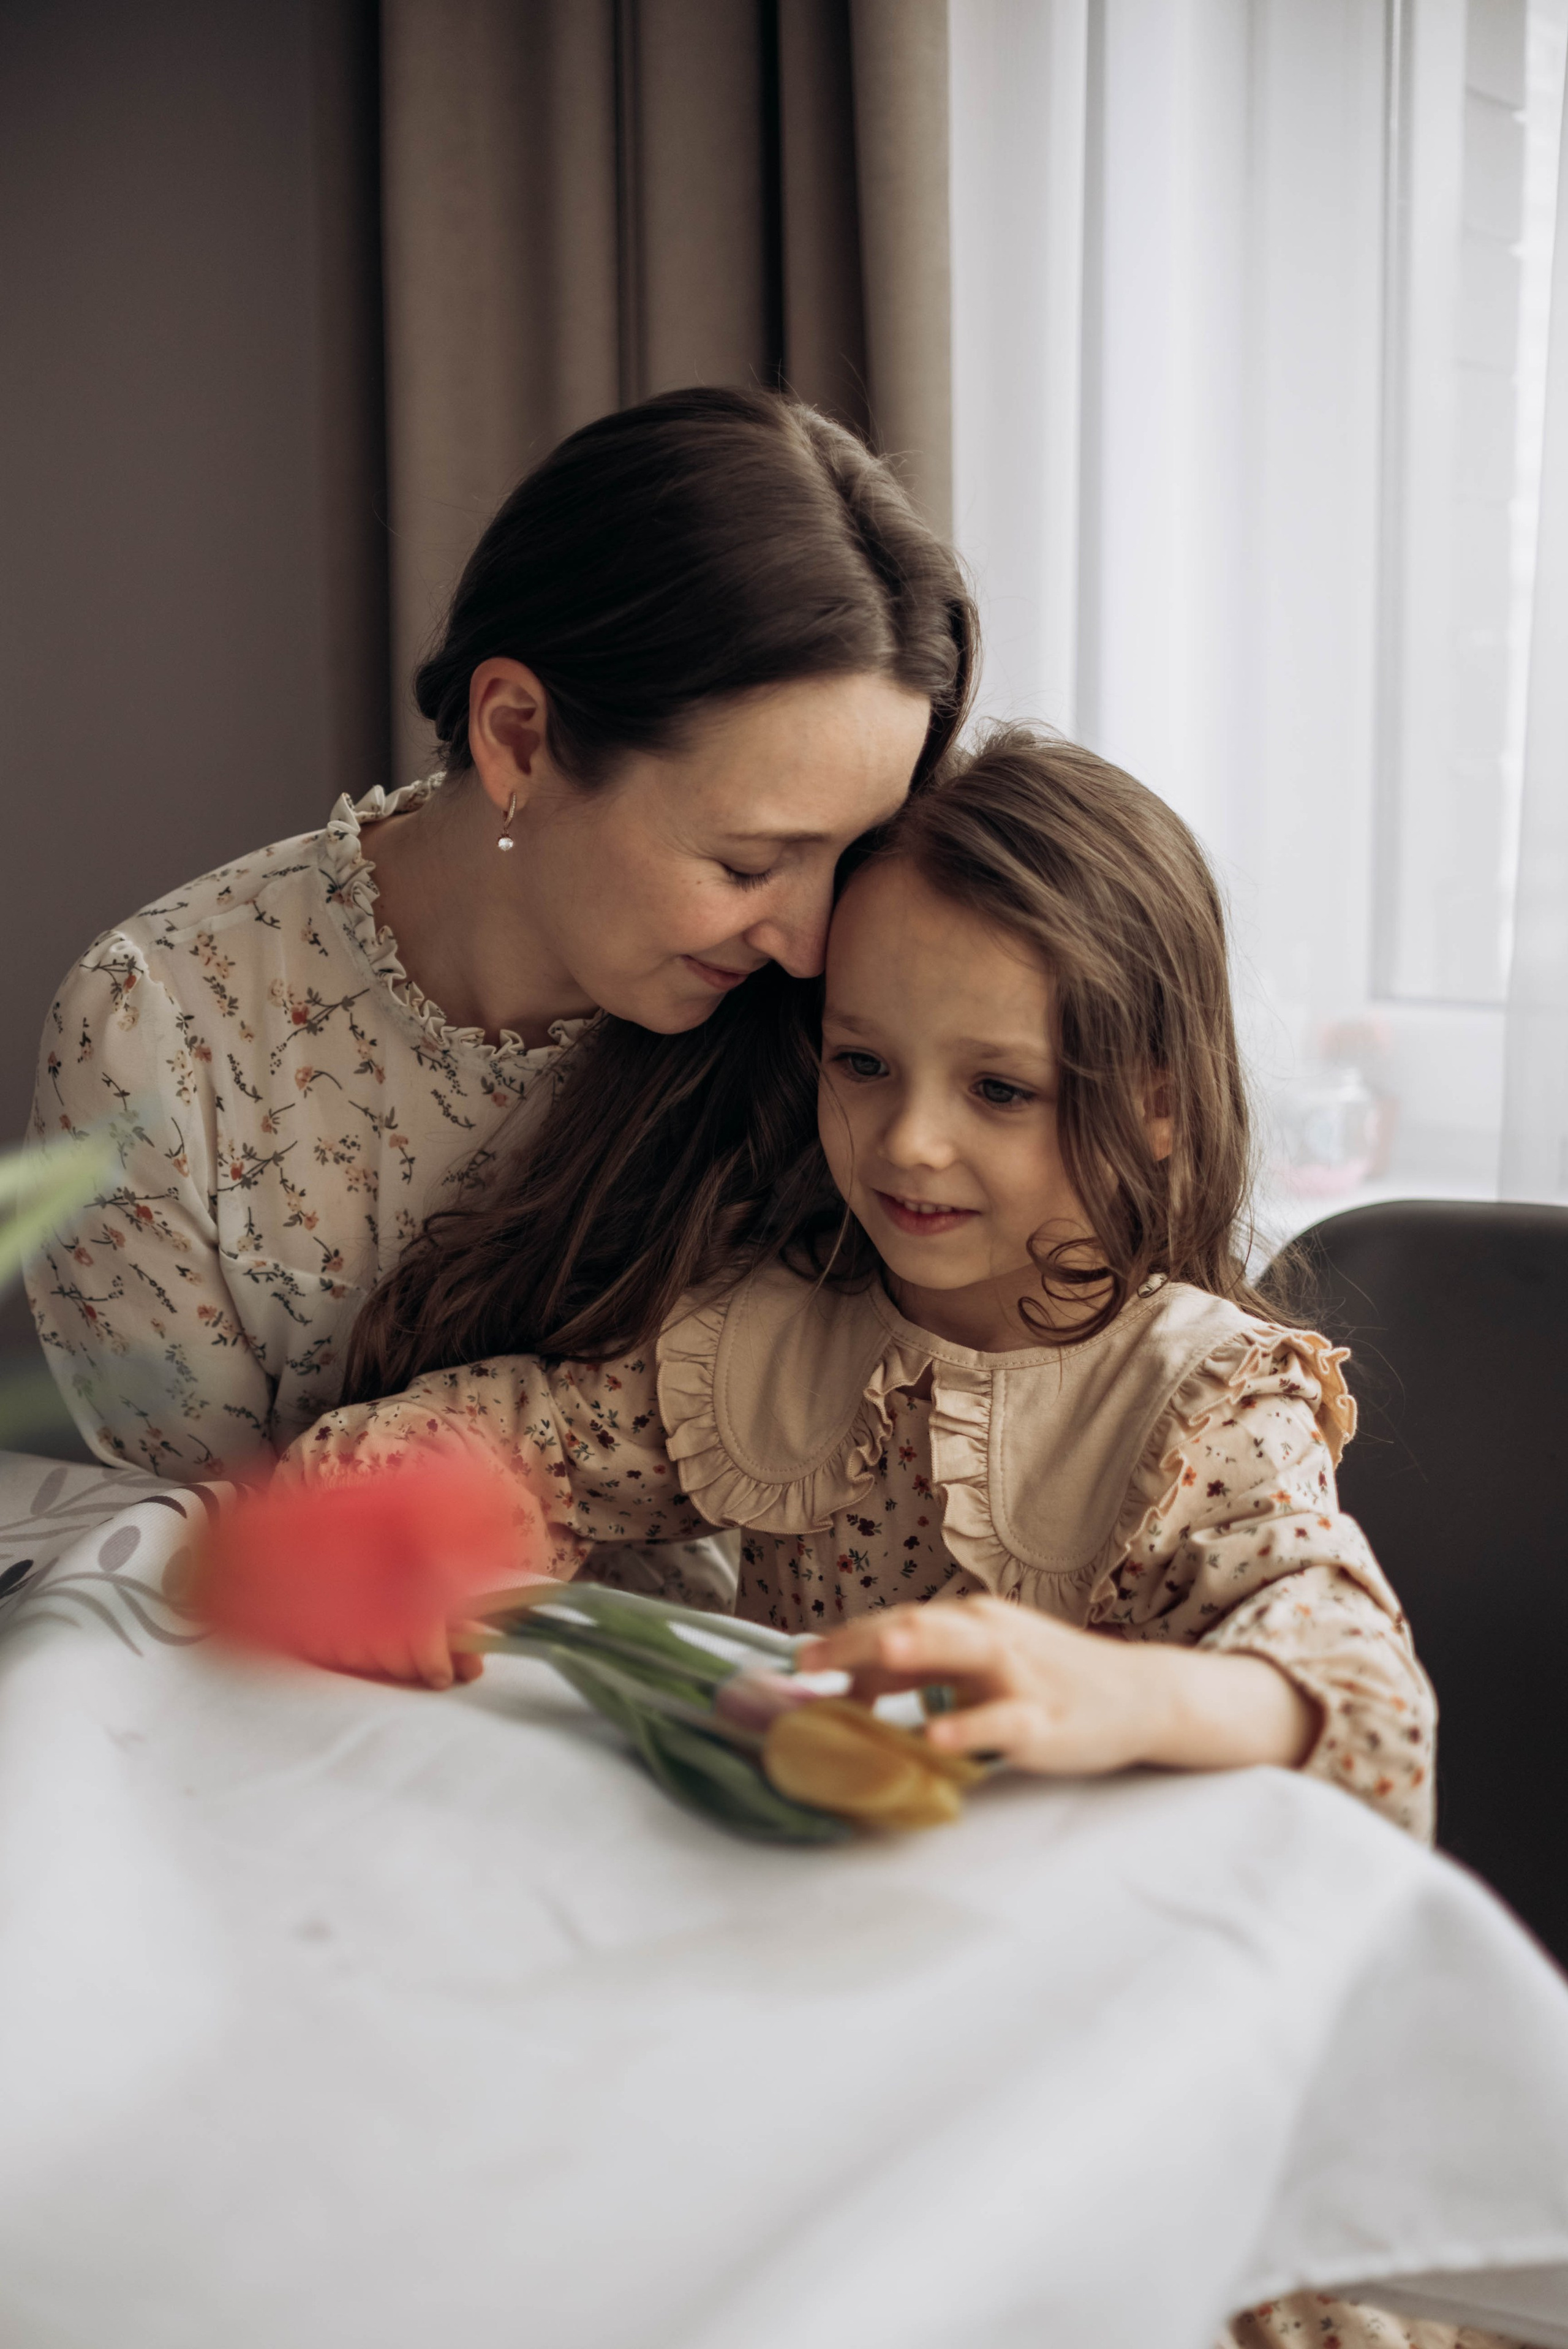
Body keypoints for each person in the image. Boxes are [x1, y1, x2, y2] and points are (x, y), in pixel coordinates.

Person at [282, 728, 1484, 2349]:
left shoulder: (1198, 1394)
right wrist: (408, 1540)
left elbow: (1362, 1694)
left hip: (1137, 2083)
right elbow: (502, 1444)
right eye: (864, 1064)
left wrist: (1110, 1696)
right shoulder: (783, 1341)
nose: (911, 1142)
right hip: (860, 2044)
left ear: (1150, 1113)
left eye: (998, 1087)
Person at [25, 387, 973, 1482]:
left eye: (850, 855)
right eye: (749, 863)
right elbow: (206, 1544)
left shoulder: (848, 1014)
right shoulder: (158, 1033)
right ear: (518, 737)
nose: (811, 948)